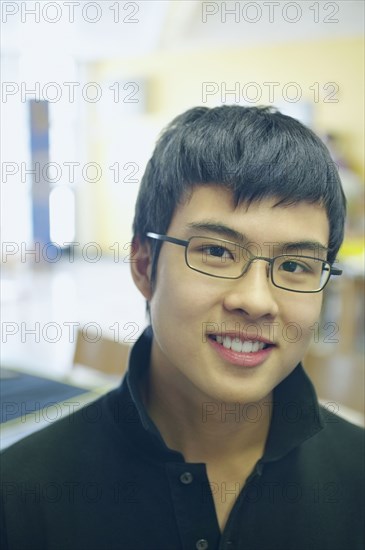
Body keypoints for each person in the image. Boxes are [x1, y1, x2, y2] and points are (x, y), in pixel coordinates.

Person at [1, 105, 364, 550]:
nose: (255, 301)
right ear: (143, 264)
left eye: (294, 265)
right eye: (216, 252)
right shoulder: (22, 495)